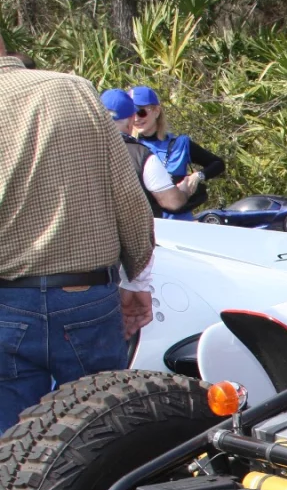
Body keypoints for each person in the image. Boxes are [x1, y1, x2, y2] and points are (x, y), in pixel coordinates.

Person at [0, 38, 156, 429]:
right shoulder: (70, 89)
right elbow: (126, 195)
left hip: (4, 302)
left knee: (12, 448)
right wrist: (137, 277)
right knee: (100, 435)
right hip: (85, 296)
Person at [129, 85, 224, 219]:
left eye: (141, 112)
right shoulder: (129, 148)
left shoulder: (180, 144)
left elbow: (218, 163)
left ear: (156, 111)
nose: (136, 119)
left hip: (179, 224)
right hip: (147, 224)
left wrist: (197, 176)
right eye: (131, 113)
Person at [101, 89, 192, 217]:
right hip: (133, 233)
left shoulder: (80, 151)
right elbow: (173, 202)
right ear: (131, 119)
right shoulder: (142, 156)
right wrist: (184, 191)